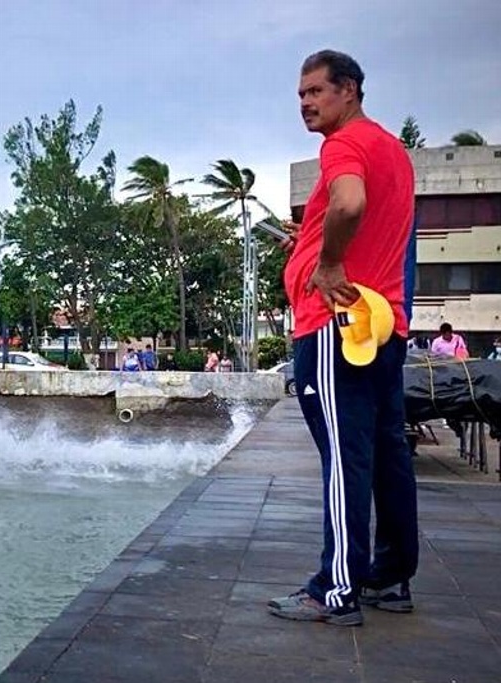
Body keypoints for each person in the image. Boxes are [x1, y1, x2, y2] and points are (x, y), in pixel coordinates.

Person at [267, 50, 418, 627]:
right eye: (301, 95)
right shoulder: (392, 150)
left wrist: (327, 264)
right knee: (386, 452)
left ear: (348, 89)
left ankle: (335, 589)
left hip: (336, 325)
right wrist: (309, 240)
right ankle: (390, 575)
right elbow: (363, 217)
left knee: (343, 457)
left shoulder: (342, 144)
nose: (305, 103)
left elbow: (351, 202)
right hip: (382, 325)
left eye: (316, 91)